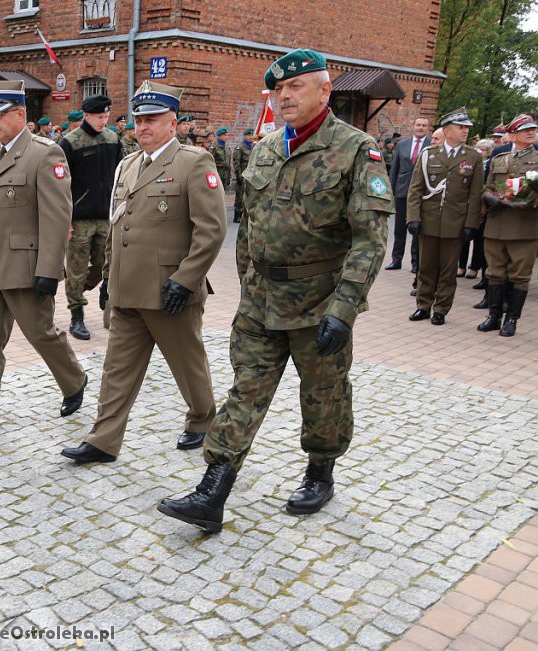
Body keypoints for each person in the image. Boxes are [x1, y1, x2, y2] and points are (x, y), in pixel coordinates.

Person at [158, 48, 392, 533]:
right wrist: (248, 284)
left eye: (296, 86)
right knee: (245, 390)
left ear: (324, 90)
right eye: (278, 89)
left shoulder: (355, 149)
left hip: (319, 302)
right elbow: (248, 227)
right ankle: (212, 491)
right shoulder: (266, 147)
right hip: (262, 301)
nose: (284, 95)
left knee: (323, 395)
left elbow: (370, 240)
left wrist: (344, 309)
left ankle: (320, 473)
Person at [61, 81, 227, 463]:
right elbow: (118, 226)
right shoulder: (129, 164)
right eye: (138, 119)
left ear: (172, 122)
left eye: (152, 118)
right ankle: (103, 440)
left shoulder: (194, 162)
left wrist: (186, 280)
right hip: (127, 289)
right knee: (116, 370)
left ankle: (202, 419)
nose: (144, 126)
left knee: (188, 364)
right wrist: (107, 278)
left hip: (169, 290)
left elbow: (211, 230)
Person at [0, 80, 87, 433]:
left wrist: (49, 270)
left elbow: (57, 217)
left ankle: (74, 380)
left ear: (21, 114)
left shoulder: (44, 154)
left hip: (25, 267)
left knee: (40, 334)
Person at [406, 108, 483, 325]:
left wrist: (471, 224)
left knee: (448, 271)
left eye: (466, 127)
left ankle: (441, 309)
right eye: (461, 127)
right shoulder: (429, 154)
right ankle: (423, 305)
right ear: (447, 131)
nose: (465, 131)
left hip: (455, 223)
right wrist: (413, 217)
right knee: (426, 267)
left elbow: (475, 195)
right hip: (429, 220)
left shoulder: (473, 157)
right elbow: (415, 190)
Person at [58, 94, 124, 340]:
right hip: (78, 219)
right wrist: (65, 221)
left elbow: (120, 179)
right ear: (86, 115)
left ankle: (75, 289)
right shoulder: (70, 142)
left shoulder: (113, 139)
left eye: (106, 117)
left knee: (102, 265)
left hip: (106, 217)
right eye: (99, 117)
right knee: (75, 268)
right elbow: (60, 186)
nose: (103, 121)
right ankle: (77, 316)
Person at [478, 113, 538, 337]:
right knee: (495, 273)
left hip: (525, 226)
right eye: (525, 130)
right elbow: (487, 186)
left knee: (520, 275)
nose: (531, 132)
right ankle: (493, 316)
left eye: (532, 129)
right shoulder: (497, 159)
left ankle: (512, 318)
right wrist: (488, 197)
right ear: (512, 135)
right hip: (497, 224)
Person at [386, 117, 432, 272]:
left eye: (424, 125)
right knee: (399, 228)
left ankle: (415, 262)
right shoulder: (402, 144)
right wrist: (390, 190)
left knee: (417, 228)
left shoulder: (431, 145)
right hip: (402, 190)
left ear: (427, 128)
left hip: (422, 194)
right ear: (414, 126)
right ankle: (396, 259)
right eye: (418, 124)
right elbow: (394, 168)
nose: (420, 127)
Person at [232, 129, 254, 223]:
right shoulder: (240, 147)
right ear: (245, 136)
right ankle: (237, 215)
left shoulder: (252, 147)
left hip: (250, 176)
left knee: (249, 196)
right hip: (242, 175)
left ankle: (246, 215)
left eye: (251, 135)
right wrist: (238, 176)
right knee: (240, 197)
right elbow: (236, 162)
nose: (250, 137)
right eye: (248, 135)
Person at [210, 127, 232, 193]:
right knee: (215, 194)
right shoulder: (214, 146)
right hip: (217, 173)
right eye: (225, 135)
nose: (227, 137)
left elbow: (229, 161)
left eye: (227, 135)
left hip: (225, 175)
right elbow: (210, 161)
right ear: (219, 136)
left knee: (223, 194)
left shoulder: (226, 146)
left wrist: (229, 176)